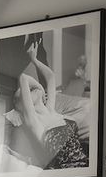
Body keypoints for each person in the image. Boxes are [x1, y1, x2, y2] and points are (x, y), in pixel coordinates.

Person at [14, 39, 88, 170]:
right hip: (67, 172)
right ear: (24, 103)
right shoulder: (34, 121)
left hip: (84, 164)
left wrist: (34, 60)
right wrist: (39, 88)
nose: (35, 87)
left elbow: (51, 77)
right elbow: (23, 78)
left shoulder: (51, 110)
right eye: (30, 90)